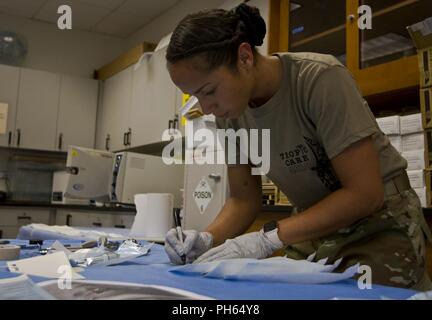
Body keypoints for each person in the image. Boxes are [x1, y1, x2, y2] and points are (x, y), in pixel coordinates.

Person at [163, 2, 432, 290]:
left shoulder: (318, 79)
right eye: (195, 97)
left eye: (209, 91)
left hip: (379, 221)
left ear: (244, 57)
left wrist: (266, 238)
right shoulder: (230, 115)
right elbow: (243, 200)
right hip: (312, 225)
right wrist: (206, 239)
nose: (205, 107)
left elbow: (365, 194)